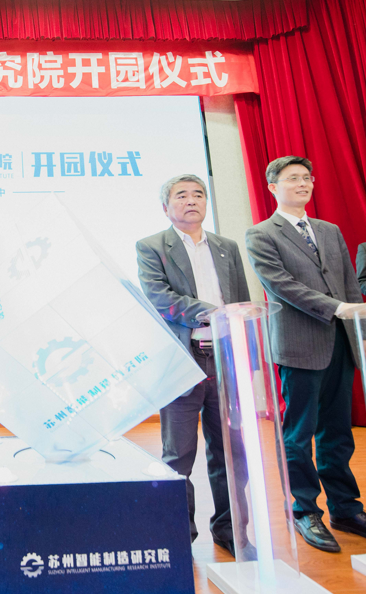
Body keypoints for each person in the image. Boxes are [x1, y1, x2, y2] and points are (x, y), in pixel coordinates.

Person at [244, 156, 366, 552]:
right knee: (299, 433)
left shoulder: (329, 230)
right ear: (273, 187)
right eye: (293, 179)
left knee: (338, 432)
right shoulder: (261, 234)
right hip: (299, 344)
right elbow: (281, 285)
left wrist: (360, 333)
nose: (303, 184)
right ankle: (304, 510)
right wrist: (337, 308)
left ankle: (346, 508)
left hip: (341, 341)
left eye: (307, 178)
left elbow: (350, 284)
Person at [135, 174, 251, 557]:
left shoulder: (226, 247)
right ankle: (179, 534)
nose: (191, 200)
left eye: (198, 194)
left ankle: (231, 530)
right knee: (178, 455)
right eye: (181, 195)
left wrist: (245, 349)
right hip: (183, 360)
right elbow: (159, 297)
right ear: (165, 207)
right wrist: (211, 312)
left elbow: (241, 300)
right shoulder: (152, 246)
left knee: (231, 452)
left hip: (225, 359)